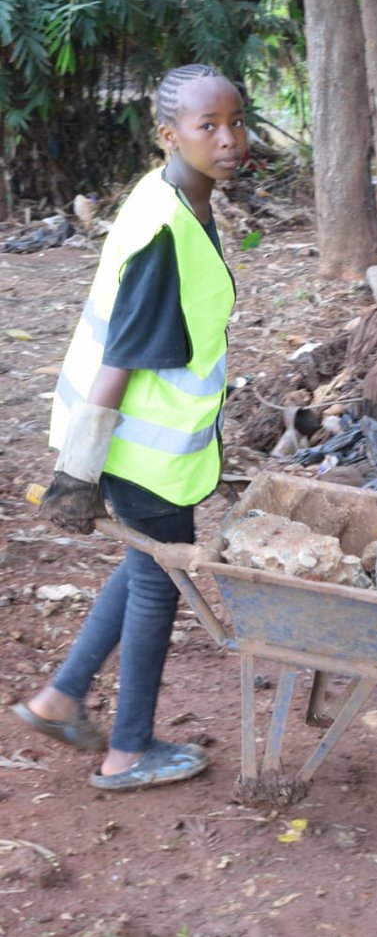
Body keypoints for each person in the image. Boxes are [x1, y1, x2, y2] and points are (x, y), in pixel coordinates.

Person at [11, 64, 247, 791]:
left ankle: (60, 698)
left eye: (235, 121)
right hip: (139, 445)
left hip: (142, 439)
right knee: (159, 582)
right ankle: (129, 750)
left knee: (147, 564)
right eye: (208, 127)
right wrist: (76, 474)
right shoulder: (163, 229)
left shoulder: (173, 193)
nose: (229, 139)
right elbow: (119, 358)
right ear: (168, 134)